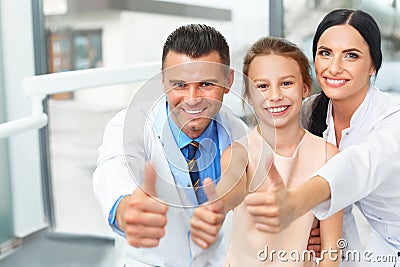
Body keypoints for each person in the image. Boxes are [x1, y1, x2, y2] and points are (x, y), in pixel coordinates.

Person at [244, 9, 400, 266]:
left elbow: (355, 167)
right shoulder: (310, 111)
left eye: (351, 56)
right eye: (325, 53)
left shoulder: (391, 121)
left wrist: (295, 202)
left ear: (373, 65)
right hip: (380, 244)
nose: (334, 68)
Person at [92, 24, 248, 267]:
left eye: (206, 84)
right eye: (180, 85)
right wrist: (125, 210)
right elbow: (113, 167)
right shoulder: (130, 125)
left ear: (228, 81)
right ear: (163, 81)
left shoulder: (240, 133)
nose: (192, 99)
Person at [190, 36, 343, 266]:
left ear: (305, 88)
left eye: (286, 83)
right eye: (262, 86)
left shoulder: (329, 157)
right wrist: (217, 205)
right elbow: (233, 184)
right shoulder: (239, 153)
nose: (274, 95)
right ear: (249, 97)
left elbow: (332, 249)